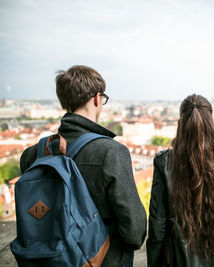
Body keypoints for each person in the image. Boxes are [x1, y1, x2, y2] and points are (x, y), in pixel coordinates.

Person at [20, 65, 147, 267]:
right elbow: (135, 232)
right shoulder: (111, 152)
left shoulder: (32, 155)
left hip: (48, 259)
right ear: (97, 99)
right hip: (104, 260)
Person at [146, 94, 214, 267]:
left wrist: (154, 260)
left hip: (183, 256)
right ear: (211, 123)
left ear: (180, 124)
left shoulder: (164, 162)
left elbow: (157, 221)